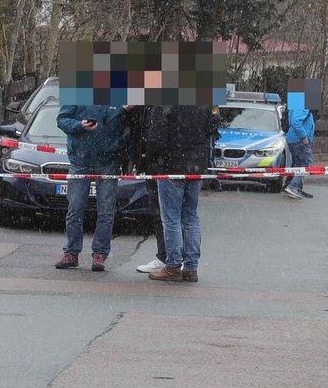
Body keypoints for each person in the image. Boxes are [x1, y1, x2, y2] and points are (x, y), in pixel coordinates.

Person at [140, 102, 218, 283]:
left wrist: (151, 160)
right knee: (190, 217)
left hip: (171, 165)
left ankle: (173, 265)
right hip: (196, 165)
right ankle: (191, 267)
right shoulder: (204, 103)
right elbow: (213, 128)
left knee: (171, 219)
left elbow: (156, 139)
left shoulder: (165, 103)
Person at [54, 102, 126, 271]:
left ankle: (100, 254)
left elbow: (128, 126)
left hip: (109, 160)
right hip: (80, 159)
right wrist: (79, 125)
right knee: (75, 207)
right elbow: (62, 119)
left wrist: (123, 110)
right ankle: (71, 252)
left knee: (106, 211)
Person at [282, 96, 316, 200]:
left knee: (297, 163)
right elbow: (296, 121)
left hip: (293, 139)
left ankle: (290, 186)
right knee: (305, 163)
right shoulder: (303, 105)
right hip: (299, 140)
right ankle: (294, 186)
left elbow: (292, 119)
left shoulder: (295, 104)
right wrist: (304, 136)